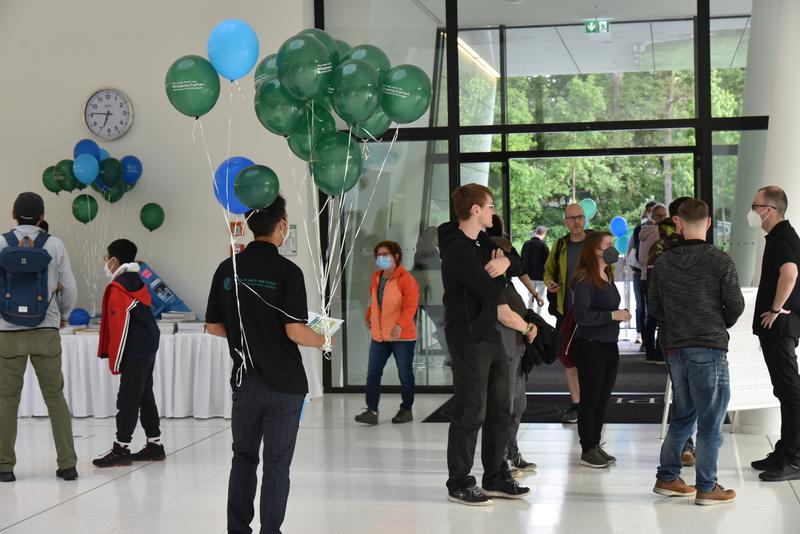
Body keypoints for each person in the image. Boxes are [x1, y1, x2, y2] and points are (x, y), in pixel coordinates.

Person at [205, 195, 328, 533]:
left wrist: (249, 331)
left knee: (243, 459)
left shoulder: (226, 269)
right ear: (282, 226)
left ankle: (238, 529)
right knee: (277, 464)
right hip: (285, 385)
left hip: (246, 382)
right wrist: (324, 339)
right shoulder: (288, 271)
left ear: (248, 225)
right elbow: (296, 331)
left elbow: (213, 326)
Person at [439, 183, 530, 506]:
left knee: (499, 407)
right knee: (470, 411)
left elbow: (518, 263)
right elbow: (491, 291)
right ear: (475, 210)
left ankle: (494, 476)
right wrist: (500, 274)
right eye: (490, 206)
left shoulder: (482, 242)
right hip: (467, 338)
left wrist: (504, 264)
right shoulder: (458, 249)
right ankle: (459, 482)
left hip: (488, 334)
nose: (494, 212)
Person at [649, 199, 744, 505]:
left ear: (677, 223)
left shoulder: (663, 263)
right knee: (711, 420)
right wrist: (719, 322)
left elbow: (655, 309)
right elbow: (736, 305)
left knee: (683, 416)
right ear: (708, 224)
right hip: (709, 345)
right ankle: (706, 486)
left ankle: (667, 478)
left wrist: (679, 322)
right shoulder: (720, 260)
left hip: (676, 347)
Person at [0, 192, 78, 483]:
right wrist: (64, 315)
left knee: (6, 400)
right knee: (55, 399)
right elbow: (69, 287)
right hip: (45, 330)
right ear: (42, 216)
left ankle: (4, 467)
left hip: (7, 333)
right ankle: (67, 465)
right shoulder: (54, 245)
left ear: (13, 214)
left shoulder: (1, 243)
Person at [93, 239, 165, 467]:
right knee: (144, 394)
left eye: (107, 258)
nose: (106, 262)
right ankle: (155, 445)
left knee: (128, 398)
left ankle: (121, 448)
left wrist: (117, 359)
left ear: (114, 260)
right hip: (147, 343)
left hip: (135, 348)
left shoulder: (119, 286)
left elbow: (119, 326)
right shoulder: (136, 280)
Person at [748, 186, 800, 482]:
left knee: (790, 390)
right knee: (785, 389)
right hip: (779, 326)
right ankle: (785, 450)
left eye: (755, 205)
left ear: (770, 209)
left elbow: (790, 273)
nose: (753, 211)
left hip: (780, 327)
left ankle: (793, 457)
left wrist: (777, 308)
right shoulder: (782, 236)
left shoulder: (781, 237)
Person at [570, 231, 631, 468]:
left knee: (603, 399)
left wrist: (618, 315)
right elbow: (582, 316)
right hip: (590, 346)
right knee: (590, 399)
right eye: (608, 245)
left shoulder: (607, 274)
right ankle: (587, 448)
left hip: (608, 345)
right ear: (595, 250)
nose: (612, 248)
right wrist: (613, 315)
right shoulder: (584, 279)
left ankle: (595, 444)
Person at [486, 221, 538, 475]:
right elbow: (505, 316)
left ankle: (512, 452)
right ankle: (503, 457)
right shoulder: (493, 285)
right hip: (505, 350)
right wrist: (527, 328)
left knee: (517, 404)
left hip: (516, 351)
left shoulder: (506, 284)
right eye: (505, 256)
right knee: (506, 405)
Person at [355, 240, 420, 425]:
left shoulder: (406, 279)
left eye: (385, 254)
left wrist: (399, 325)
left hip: (402, 336)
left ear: (396, 256)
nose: (381, 258)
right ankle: (372, 411)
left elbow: (410, 306)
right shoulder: (377, 277)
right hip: (379, 336)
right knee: (373, 373)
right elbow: (376, 301)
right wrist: (369, 315)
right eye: (378, 255)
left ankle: (406, 409)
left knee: (404, 374)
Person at [543, 203, 586, 424]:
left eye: (580, 217)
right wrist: (549, 282)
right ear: (565, 222)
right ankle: (577, 404)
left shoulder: (595, 242)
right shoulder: (560, 245)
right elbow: (548, 271)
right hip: (566, 311)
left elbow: (610, 267)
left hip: (591, 313)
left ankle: (590, 402)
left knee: (591, 360)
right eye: (572, 218)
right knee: (568, 359)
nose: (576, 221)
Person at [639, 203, 668, 364]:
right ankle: (658, 353)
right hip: (655, 279)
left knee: (650, 316)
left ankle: (650, 352)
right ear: (654, 217)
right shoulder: (658, 234)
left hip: (644, 276)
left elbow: (639, 257)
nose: (664, 219)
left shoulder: (642, 232)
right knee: (659, 316)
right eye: (661, 215)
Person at [627, 200, 658, 346]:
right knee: (644, 306)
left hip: (640, 272)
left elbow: (630, 250)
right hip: (644, 273)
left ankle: (645, 339)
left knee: (644, 306)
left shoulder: (639, 230)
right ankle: (643, 336)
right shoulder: (640, 230)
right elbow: (631, 250)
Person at [521, 225, 548, 310]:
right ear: (544, 234)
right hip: (541, 277)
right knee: (540, 297)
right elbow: (548, 262)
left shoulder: (526, 244)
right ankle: (539, 317)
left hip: (528, 276)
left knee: (530, 296)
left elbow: (521, 259)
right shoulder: (543, 246)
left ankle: (530, 316)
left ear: (535, 232)